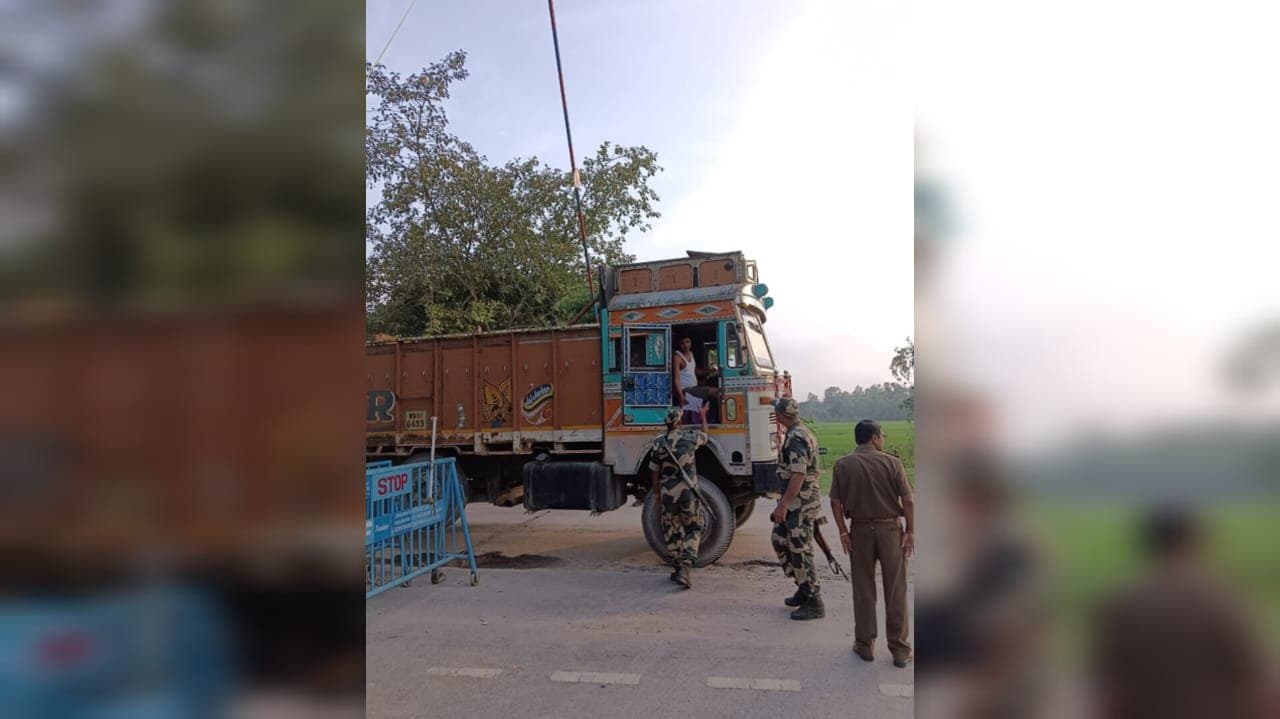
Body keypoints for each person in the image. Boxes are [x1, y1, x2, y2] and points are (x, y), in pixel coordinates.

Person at [1093, 506, 1270, 719]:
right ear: (1196, 541)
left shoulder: (1123, 603)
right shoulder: (1221, 600)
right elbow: (1250, 672)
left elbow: (1110, 683)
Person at [829, 419, 915, 667]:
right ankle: (900, 650)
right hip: (890, 530)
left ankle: (865, 645)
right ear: (875, 438)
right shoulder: (892, 462)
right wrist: (911, 530)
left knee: (864, 589)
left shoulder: (843, 465)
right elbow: (908, 500)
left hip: (860, 530)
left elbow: (835, 503)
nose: (883, 439)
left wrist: (843, 532)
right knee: (896, 589)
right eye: (882, 436)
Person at [769, 397, 825, 620]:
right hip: (796, 502)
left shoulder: (796, 438)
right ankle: (803, 587)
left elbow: (799, 474)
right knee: (780, 539)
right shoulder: (798, 432)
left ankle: (814, 601)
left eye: (777, 413)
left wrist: (783, 505)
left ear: (782, 416)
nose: (776, 416)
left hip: (800, 503)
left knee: (800, 549)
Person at [649, 402, 709, 588]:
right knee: (693, 528)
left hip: (668, 493)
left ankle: (677, 567)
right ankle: (685, 567)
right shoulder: (689, 438)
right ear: (679, 420)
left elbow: (654, 472)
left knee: (671, 530)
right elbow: (706, 435)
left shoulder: (659, 442)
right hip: (688, 492)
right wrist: (703, 415)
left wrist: (658, 493)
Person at [673, 337, 718, 424]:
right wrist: (681, 397)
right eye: (682, 343)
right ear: (679, 345)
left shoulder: (691, 354)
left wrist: (709, 371)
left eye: (687, 342)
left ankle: (709, 420)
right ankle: (713, 421)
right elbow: (676, 379)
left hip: (694, 388)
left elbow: (694, 371)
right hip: (686, 390)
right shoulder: (677, 357)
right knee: (715, 392)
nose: (685, 345)